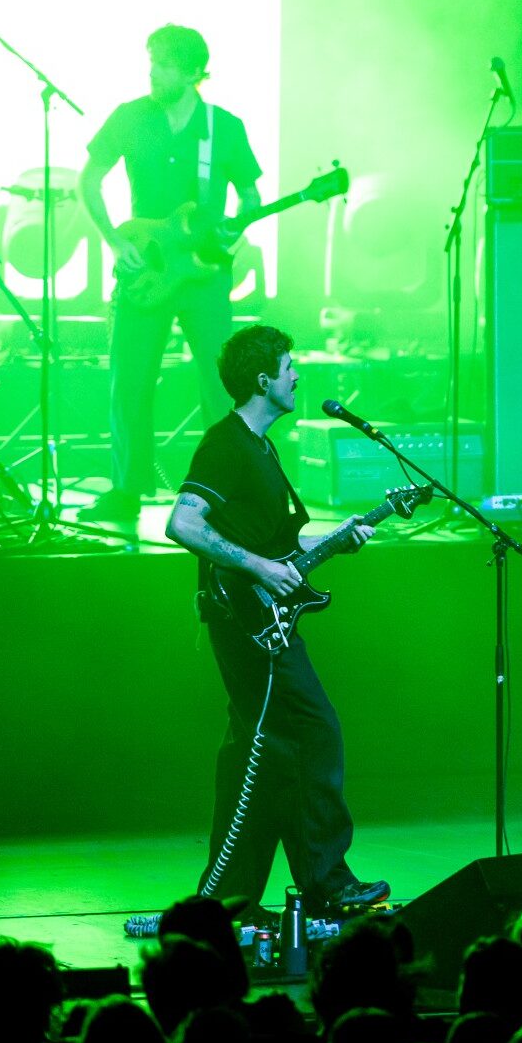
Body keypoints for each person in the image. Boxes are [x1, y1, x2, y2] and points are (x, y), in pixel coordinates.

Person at [166, 323, 388, 917]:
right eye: (289, 368)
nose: (298, 376)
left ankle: (231, 900)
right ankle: (328, 884)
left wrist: (338, 538)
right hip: (245, 622)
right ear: (263, 380)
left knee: (260, 752)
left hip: (263, 620)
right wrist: (259, 568)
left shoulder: (262, 448)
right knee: (315, 732)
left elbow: (277, 546)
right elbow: (183, 523)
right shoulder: (225, 445)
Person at [79, 24, 262, 522]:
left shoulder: (224, 127)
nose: (153, 72)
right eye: (152, 61)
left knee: (220, 385)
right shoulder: (130, 116)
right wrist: (114, 240)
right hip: (145, 269)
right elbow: (89, 180)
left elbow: (250, 197)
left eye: (164, 64)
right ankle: (126, 490)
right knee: (130, 378)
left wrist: (236, 229)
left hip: (206, 275)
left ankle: (223, 493)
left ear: (195, 72)